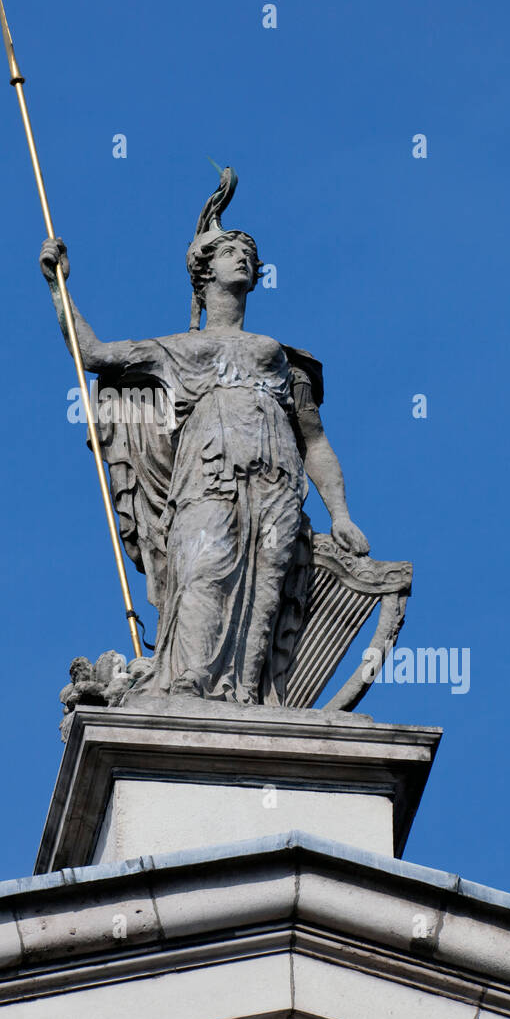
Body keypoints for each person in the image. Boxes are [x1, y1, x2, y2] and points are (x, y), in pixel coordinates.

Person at [39, 210, 369, 706]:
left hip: (276, 477)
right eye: (233, 251)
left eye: (252, 256)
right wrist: (58, 286)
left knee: (267, 587)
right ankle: (188, 682)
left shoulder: (278, 356)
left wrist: (340, 515)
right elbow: (94, 355)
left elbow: (315, 442)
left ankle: (251, 697)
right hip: (209, 474)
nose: (246, 260)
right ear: (205, 269)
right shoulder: (177, 350)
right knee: (202, 569)